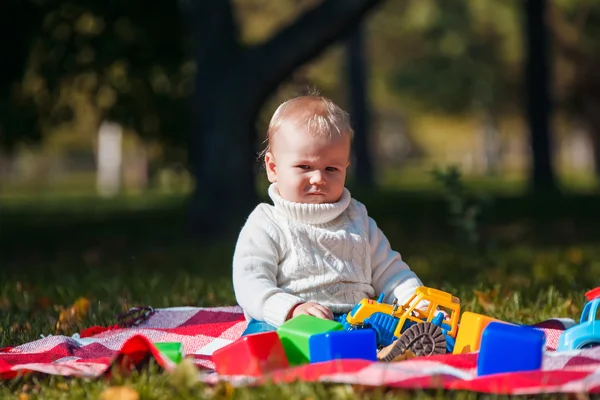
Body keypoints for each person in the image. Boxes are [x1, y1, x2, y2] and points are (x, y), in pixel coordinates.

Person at [232, 94, 424, 336]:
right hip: (292, 323)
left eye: (331, 169)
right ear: (273, 168)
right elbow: (250, 282)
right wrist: (290, 309)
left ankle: (408, 344)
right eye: (304, 167)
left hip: (357, 320)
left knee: (395, 327)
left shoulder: (358, 220)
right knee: (263, 336)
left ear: (345, 168)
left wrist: (418, 303)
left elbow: (391, 272)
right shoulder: (267, 223)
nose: (319, 178)